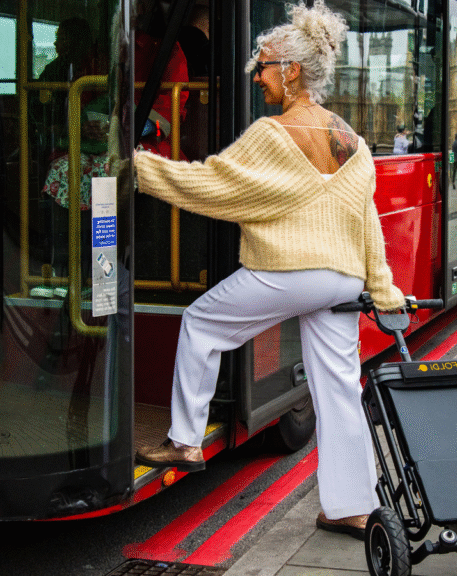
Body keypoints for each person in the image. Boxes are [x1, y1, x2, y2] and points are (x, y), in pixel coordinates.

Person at [132, 0, 405, 541]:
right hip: (343, 279)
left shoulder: (272, 134)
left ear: (293, 71)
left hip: (289, 272)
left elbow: (212, 186)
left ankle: (185, 440)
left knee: (202, 324)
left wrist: (136, 165)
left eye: (264, 65)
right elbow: (366, 220)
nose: (258, 76)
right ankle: (352, 506)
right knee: (339, 389)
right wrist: (385, 290)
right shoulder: (351, 141)